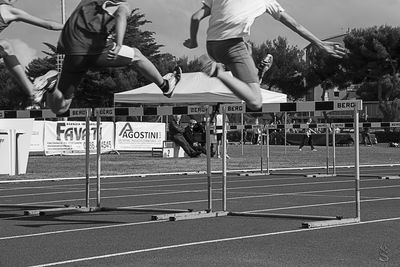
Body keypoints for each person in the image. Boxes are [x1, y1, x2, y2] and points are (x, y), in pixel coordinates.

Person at [184, 0, 347, 110]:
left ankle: (257, 74)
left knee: (247, 78)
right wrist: (319, 43)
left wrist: (193, 42)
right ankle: (217, 72)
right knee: (255, 101)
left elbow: (195, 17)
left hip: (212, 47)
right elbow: (295, 25)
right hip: (232, 45)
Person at [43, 0, 181, 114]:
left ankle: (51, 86)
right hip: (95, 51)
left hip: (72, 51)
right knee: (137, 55)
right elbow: (121, 16)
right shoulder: (122, 5)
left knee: (60, 108)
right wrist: (119, 43)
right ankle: (165, 86)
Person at [0, 0, 64, 108]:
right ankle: (32, 90)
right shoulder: (9, 11)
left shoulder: (8, 10)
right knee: (6, 46)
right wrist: (71, 27)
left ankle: (32, 90)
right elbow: (49, 25)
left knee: (6, 46)